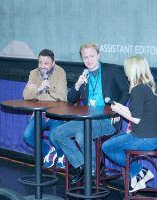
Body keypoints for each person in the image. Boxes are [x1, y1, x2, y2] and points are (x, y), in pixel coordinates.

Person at [50, 43, 129, 184]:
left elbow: (125, 91)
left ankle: (93, 169)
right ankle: (81, 166)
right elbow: (71, 99)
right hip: (86, 120)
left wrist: (117, 110)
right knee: (57, 133)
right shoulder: (84, 75)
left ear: (98, 55)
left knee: (82, 135)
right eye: (85, 57)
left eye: (91, 56)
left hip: (107, 120)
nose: (89, 60)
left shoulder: (111, 70)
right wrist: (77, 85)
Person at [102, 56, 157, 193]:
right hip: (152, 137)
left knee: (107, 147)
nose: (126, 73)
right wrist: (121, 108)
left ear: (132, 70)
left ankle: (139, 171)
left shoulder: (137, 89)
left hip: (142, 138)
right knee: (114, 144)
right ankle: (137, 175)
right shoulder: (148, 87)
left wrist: (118, 112)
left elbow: (136, 119)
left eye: (127, 70)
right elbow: (138, 114)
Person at [23, 49, 67, 168]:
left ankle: (61, 154)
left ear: (53, 63)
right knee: (27, 135)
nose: (42, 66)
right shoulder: (33, 73)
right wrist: (38, 89)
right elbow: (26, 95)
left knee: (55, 136)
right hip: (39, 113)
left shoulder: (60, 72)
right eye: (40, 62)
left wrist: (37, 94)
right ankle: (48, 151)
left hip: (56, 114)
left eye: (46, 63)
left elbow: (61, 97)